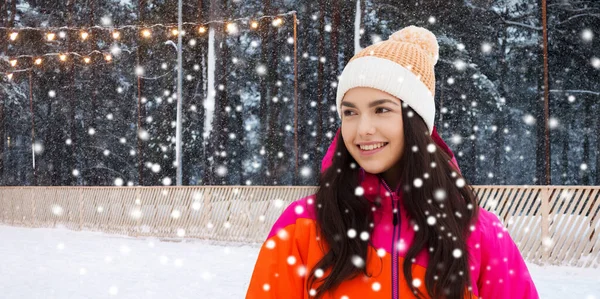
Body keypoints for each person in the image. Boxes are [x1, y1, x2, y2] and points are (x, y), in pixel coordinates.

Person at [246, 25, 539, 299]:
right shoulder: (303, 225)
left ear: (417, 122)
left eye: (381, 109)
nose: (363, 129)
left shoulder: (480, 234)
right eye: (350, 113)